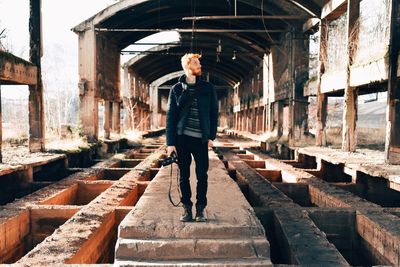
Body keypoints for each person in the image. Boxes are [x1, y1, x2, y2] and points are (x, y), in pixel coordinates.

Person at [166, 53, 218, 222]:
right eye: (196, 63)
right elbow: (171, 117)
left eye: (199, 63)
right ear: (188, 67)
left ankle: (201, 209)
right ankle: (187, 209)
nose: (199, 66)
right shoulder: (176, 89)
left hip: (201, 139)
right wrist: (170, 143)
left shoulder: (208, 88)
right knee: (184, 176)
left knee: (202, 175)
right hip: (182, 139)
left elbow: (213, 113)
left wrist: (211, 136)